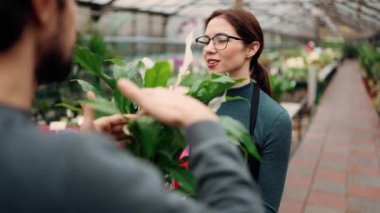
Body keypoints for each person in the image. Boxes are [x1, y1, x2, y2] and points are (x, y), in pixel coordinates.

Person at [0, 1, 267, 212]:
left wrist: (87, 152)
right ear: (43, 6)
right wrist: (202, 122)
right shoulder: (67, 165)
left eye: (220, 40)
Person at [194, 9, 292, 213]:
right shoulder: (192, 99)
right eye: (206, 40)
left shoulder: (274, 119)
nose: (209, 49)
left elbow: (266, 207)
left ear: (251, 48)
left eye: (221, 40)